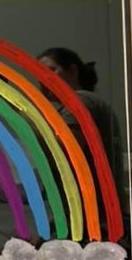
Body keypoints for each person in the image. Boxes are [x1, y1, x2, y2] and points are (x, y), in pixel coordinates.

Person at [38, 47, 125, 204]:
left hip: (93, 220)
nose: (43, 80)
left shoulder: (80, 101)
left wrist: (22, 110)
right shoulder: (89, 101)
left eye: (51, 71)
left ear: (72, 71)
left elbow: (63, 154)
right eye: (38, 76)